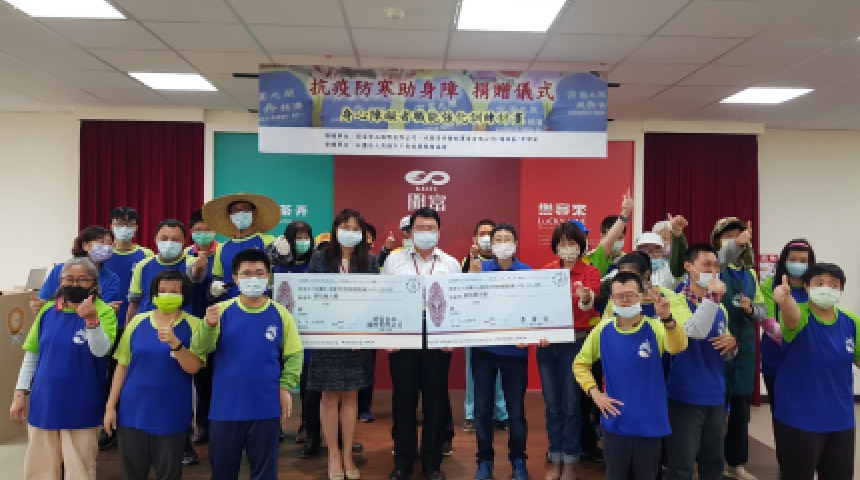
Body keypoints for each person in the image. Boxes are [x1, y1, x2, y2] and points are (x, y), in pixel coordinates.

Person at [197, 248, 303, 480]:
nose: (253, 278)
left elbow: (294, 353)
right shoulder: (220, 311)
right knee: (223, 473)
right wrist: (208, 326)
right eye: (246, 273)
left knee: (264, 473)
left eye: (259, 273)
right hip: (226, 409)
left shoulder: (280, 313)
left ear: (268, 276)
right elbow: (200, 349)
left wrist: (285, 386)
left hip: (265, 408)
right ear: (235, 278)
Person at [10, 257, 119, 480]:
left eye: (82, 280)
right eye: (69, 279)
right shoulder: (47, 311)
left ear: (94, 284)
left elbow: (101, 351)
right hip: (45, 401)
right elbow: (32, 355)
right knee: (40, 469)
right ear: (60, 282)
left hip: (82, 403)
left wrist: (92, 321)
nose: (75, 284)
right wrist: (19, 394)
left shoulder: (104, 311)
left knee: (79, 469)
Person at [573, 272, 687, 480]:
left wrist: (668, 319)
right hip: (615, 421)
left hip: (650, 423)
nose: (625, 300)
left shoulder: (655, 327)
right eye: (619, 296)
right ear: (612, 300)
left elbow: (678, 347)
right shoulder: (603, 329)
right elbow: (580, 364)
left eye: (630, 295)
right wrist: (595, 394)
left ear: (640, 297)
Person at [103, 270, 205, 480]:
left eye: (174, 291)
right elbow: (122, 365)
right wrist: (110, 406)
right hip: (133, 412)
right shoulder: (137, 322)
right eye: (162, 291)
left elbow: (194, 367)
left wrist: (175, 343)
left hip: (171, 414)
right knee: (131, 473)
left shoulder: (195, 325)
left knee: (169, 473)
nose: (167, 295)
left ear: (184, 294)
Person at [383, 207, 460, 480]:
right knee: (403, 398)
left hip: (438, 333)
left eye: (431, 228)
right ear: (410, 232)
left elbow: (456, 304)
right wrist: (389, 335)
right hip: (404, 332)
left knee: (435, 400)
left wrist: (451, 336)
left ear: (439, 232)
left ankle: (432, 463)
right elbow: (384, 299)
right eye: (420, 228)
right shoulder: (394, 262)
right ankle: (403, 461)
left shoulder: (450, 264)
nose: (426, 232)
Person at [306, 209, 379, 480]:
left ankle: (348, 454)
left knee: (351, 397)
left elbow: (374, 301)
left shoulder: (370, 261)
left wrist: (362, 333)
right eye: (345, 227)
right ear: (336, 229)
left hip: (357, 341)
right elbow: (310, 297)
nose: (350, 232)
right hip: (327, 338)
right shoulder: (320, 258)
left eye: (356, 228)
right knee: (328, 397)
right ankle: (333, 455)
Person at [772, 263, 858, 480]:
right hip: (798, 418)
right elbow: (791, 318)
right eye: (819, 283)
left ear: (841, 290)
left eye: (834, 284)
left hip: (841, 419)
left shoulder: (851, 321)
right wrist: (785, 300)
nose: (826, 288)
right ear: (807, 287)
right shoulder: (800, 313)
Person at [665, 244, 738, 480]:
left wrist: (732, 344)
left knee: (714, 464)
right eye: (706, 265)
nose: (713, 271)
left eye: (716, 265)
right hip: (685, 396)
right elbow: (694, 331)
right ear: (688, 266)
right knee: (681, 466)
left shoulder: (721, 308)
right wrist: (713, 297)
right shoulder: (676, 302)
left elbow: (724, 350)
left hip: (715, 395)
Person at [467, 223, 531, 480]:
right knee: (482, 410)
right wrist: (471, 278)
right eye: (498, 239)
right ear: (491, 245)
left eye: (508, 239)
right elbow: (466, 305)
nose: (503, 243)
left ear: (516, 244)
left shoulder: (526, 272)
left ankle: (519, 460)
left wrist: (529, 335)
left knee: (516, 412)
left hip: (515, 353)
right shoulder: (479, 268)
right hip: (484, 350)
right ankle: (484, 461)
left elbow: (534, 310)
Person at [538, 220, 600, 480]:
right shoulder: (547, 272)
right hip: (548, 346)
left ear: (581, 246)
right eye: (562, 243)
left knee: (571, 406)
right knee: (552, 405)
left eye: (572, 243)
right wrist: (538, 333)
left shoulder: (590, 272)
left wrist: (586, 297)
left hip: (576, 343)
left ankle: (571, 460)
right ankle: (555, 457)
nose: (567, 248)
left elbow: (590, 304)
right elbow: (537, 308)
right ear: (555, 246)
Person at [708, 218, 765, 480]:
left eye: (738, 236)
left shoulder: (751, 274)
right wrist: (734, 247)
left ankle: (736, 462)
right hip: (717, 344)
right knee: (713, 409)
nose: (734, 240)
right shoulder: (715, 267)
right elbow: (720, 260)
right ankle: (709, 462)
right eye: (728, 236)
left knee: (741, 408)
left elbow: (762, 311)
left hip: (745, 347)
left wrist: (751, 309)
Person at [461, 219, 508, 434]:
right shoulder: (468, 261)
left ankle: (501, 413)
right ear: (475, 238)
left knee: (501, 373)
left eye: (491, 234)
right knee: (473, 374)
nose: (487, 238)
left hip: (501, 325)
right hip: (475, 326)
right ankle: (472, 414)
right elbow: (461, 290)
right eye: (482, 234)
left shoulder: (506, 261)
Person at [759, 239, 814, 411]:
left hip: (808, 360)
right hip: (776, 359)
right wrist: (802, 340)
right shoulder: (769, 285)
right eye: (793, 260)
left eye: (803, 261)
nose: (798, 264)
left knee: (805, 411)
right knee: (780, 411)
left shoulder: (814, 288)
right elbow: (768, 322)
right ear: (784, 261)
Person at [184, 210, 219, 458]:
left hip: (220, 322)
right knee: (200, 379)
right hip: (192, 324)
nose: (203, 233)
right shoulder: (185, 255)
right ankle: (202, 425)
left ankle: (219, 423)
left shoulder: (224, 253)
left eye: (208, 229)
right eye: (199, 229)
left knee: (219, 376)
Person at [202, 192, 281, 299]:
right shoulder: (222, 248)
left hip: (262, 304)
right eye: (236, 210)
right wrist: (213, 290)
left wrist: (285, 255)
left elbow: (282, 270)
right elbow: (217, 279)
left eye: (245, 209)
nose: (240, 213)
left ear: (254, 213)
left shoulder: (269, 242)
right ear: (230, 216)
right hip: (229, 305)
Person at [32, 225, 123, 314]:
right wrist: (39, 305)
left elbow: (106, 309)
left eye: (110, 244)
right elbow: (44, 301)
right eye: (101, 242)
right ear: (85, 246)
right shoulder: (60, 270)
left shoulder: (112, 278)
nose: (107, 247)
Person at [127, 219, 203, 323]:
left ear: (184, 242)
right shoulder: (142, 265)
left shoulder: (193, 263)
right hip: (146, 325)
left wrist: (198, 269)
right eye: (164, 238)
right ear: (155, 239)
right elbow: (134, 303)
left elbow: (196, 275)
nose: (169, 243)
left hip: (182, 325)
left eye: (175, 239)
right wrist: (129, 329)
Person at [105, 207, 154, 326]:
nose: (124, 228)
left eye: (129, 224)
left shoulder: (147, 254)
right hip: (106, 316)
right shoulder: (103, 254)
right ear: (111, 226)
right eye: (119, 224)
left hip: (137, 316)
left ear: (136, 227)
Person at [585, 191, 633, 277]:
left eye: (620, 237)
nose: (614, 240)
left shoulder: (629, 259)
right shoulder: (596, 255)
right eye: (612, 237)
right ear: (602, 236)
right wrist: (624, 214)